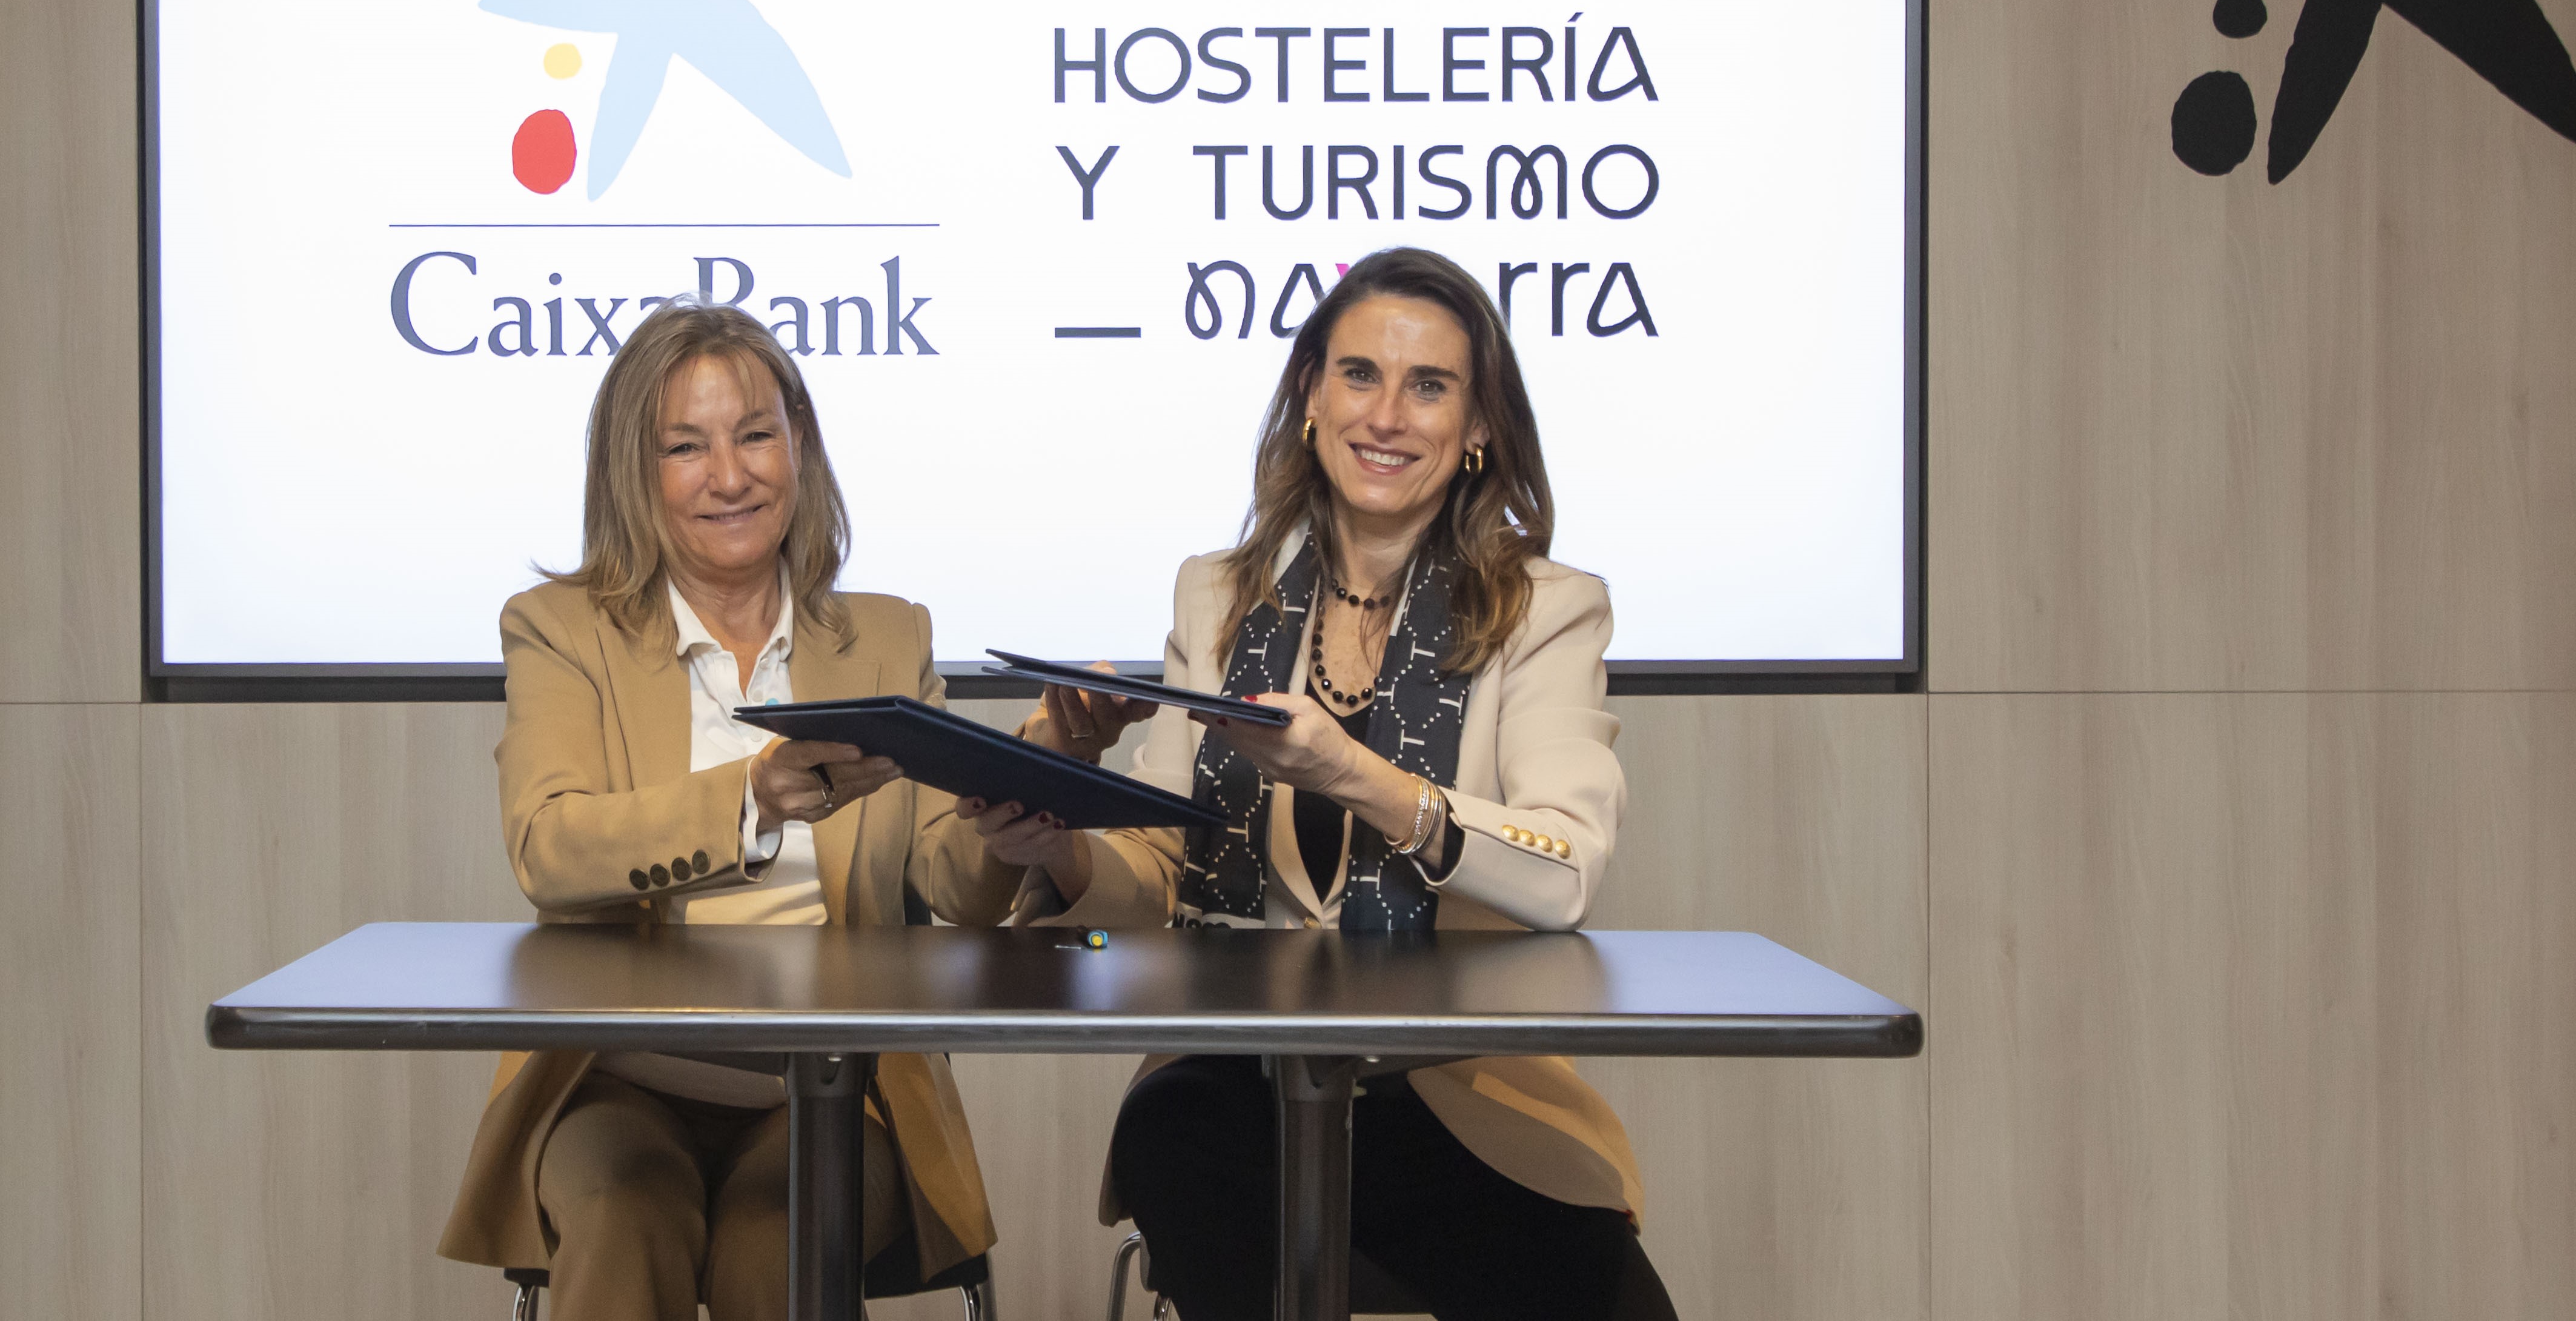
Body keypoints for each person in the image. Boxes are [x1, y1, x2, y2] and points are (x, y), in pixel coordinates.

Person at [983, 247, 1678, 1321]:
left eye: (1429, 386)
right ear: (1310, 397)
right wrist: (1061, 841)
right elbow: (1165, 878)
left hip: (1446, 1090)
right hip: (1232, 1081)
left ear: (1479, 426)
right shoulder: (1218, 595)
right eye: (1359, 375)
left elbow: (1564, 872)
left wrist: (1355, 776)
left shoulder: (1546, 610)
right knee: (1187, 1158)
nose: (1386, 416)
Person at [436, 299, 1030, 1321]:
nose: (731, 476)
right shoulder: (562, 629)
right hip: (615, 1084)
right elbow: (549, 847)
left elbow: (951, 884)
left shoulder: (886, 638)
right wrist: (750, 799)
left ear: (799, 443)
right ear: (636, 470)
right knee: (627, 1213)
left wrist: (1019, 815)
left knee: (779, 1241)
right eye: (685, 447)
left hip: (834, 1092)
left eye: (756, 435)